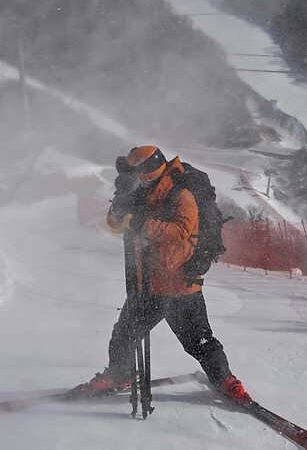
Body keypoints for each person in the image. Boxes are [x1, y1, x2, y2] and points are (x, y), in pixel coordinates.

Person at [73, 146, 252, 405]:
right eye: (137, 176)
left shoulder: (181, 192)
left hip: (178, 282)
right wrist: (118, 205)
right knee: (124, 334)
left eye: (144, 175)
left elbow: (181, 231)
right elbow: (114, 225)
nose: (141, 180)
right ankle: (119, 375)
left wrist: (140, 223)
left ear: (154, 170)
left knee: (198, 341)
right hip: (145, 282)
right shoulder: (139, 192)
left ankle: (225, 381)